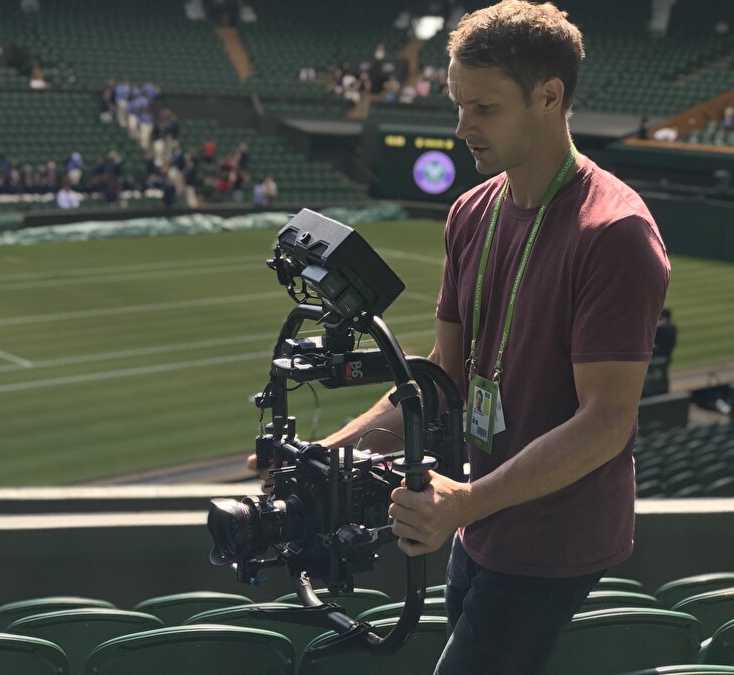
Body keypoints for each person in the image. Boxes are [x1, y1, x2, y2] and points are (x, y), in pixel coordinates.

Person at [249, 2, 669, 673]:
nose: (462, 127)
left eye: (485, 109)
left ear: (550, 98)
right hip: (478, 522)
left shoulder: (614, 233)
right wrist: (326, 455)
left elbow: (607, 423)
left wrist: (468, 499)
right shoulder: (472, 211)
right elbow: (440, 375)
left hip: (552, 539)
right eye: (457, 104)